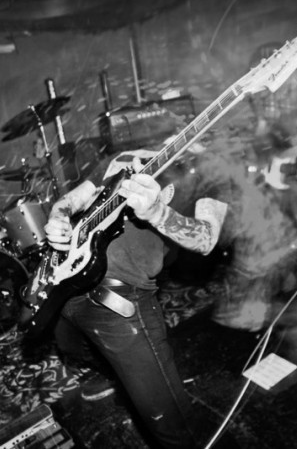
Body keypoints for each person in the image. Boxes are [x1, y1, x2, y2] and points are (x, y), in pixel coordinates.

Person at [43, 149, 228, 449]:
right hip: (68, 279)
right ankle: (113, 374)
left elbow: (207, 240)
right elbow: (72, 200)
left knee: (171, 423)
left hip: (121, 295)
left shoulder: (212, 171)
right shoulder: (125, 156)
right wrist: (57, 217)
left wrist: (156, 212)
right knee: (71, 347)